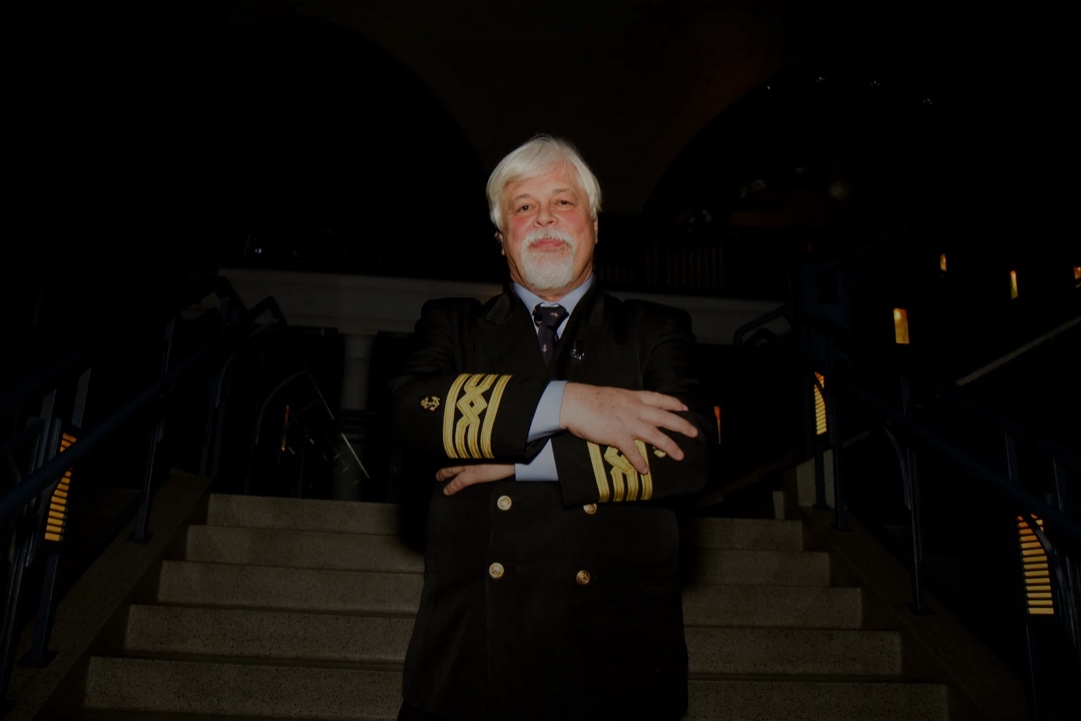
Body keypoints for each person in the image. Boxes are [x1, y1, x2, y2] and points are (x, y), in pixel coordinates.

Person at [386, 134, 716, 721]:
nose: (544, 218)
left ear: (594, 224)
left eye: (563, 201)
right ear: (501, 238)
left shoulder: (654, 330)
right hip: (471, 668)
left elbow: (688, 453)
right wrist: (570, 404)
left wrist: (525, 462)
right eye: (524, 206)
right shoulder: (453, 324)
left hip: (618, 669)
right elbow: (409, 410)